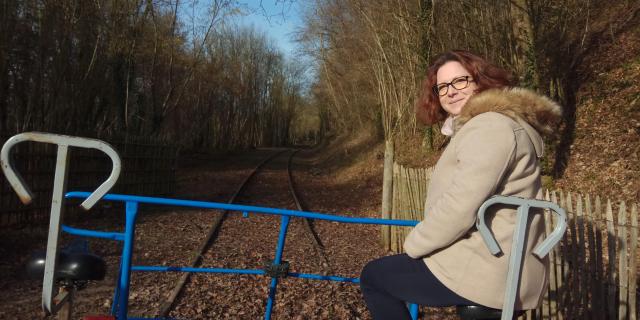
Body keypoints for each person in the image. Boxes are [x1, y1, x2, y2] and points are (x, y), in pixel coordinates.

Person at [360, 50, 562, 319]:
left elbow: (461, 204)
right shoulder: (496, 124)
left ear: (480, 81)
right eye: (442, 86)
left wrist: (415, 244)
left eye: (460, 81)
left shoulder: (489, 126)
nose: (450, 91)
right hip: (497, 261)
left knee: (375, 277)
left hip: (488, 267)